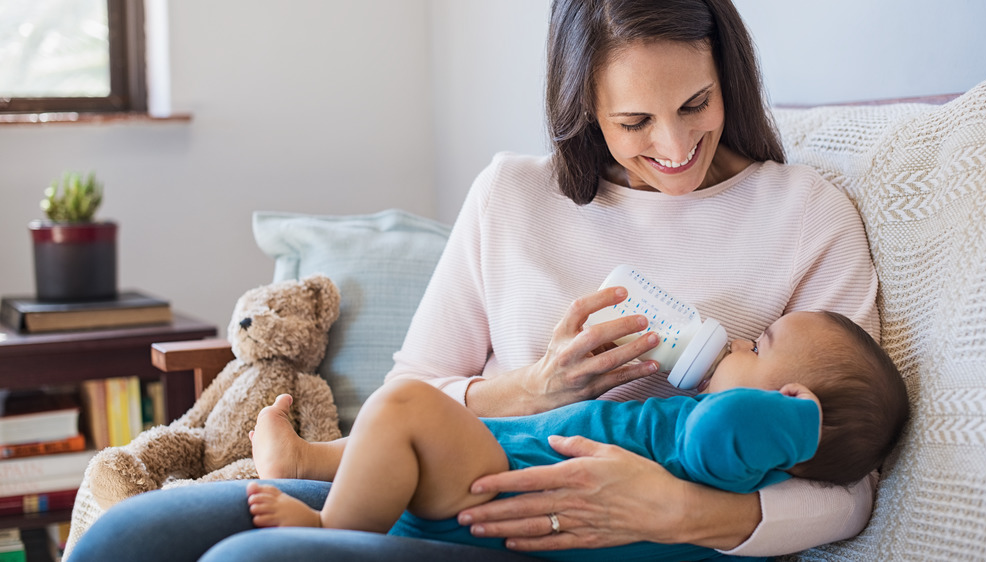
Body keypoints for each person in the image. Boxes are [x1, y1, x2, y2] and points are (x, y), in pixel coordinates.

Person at [70, 1, 883, 560]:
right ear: (583, 107)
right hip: (453, 482)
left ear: (726, 78)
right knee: (127, 539)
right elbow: (414, 387)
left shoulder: (805, 216)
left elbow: (850, 478)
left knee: (255, 555)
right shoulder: (512, 196)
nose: (673, 145)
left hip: (619, 542)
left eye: (696, 104)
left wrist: (675, 510)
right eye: (633, 122)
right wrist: (533, 386)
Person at [244, 310, 909, 562]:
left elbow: (738, 430)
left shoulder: (721, 448)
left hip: (508, 486)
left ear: (789, 408)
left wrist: (798, 419)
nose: (737, 339)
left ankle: (331, 533)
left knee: (405, 411)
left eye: (758, 344)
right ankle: (309, 460)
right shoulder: (702, 435)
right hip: (504, 455)